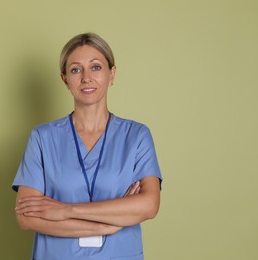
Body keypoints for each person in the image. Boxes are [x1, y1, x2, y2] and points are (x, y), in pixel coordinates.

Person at [13, 32, 163, 260]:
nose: (86, 77)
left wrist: (66, 210)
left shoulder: (136, 136)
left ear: (111, 74)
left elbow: (149, 205)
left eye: (95, 67)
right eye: (75, 69)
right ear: (65, 79)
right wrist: (106, 225)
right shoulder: (42, 138)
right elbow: (27, 217)